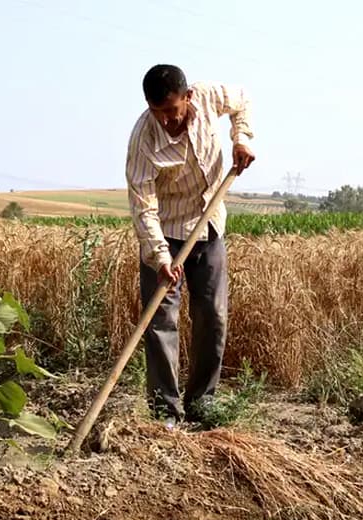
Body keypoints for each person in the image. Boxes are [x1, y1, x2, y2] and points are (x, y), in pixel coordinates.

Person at [125, 63, 256, 429]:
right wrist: (161, 257)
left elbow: (242, 99)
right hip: (164, 233)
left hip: (210, 225)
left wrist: (241, 139)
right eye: (157, 112)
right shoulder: (143, 139)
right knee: (161, 321)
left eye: (172, 111)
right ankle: (166, 410)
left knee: (213, 315)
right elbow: (143, 206)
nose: (166, 120)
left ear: (188, 97)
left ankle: (202, 402)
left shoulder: (209, 95)